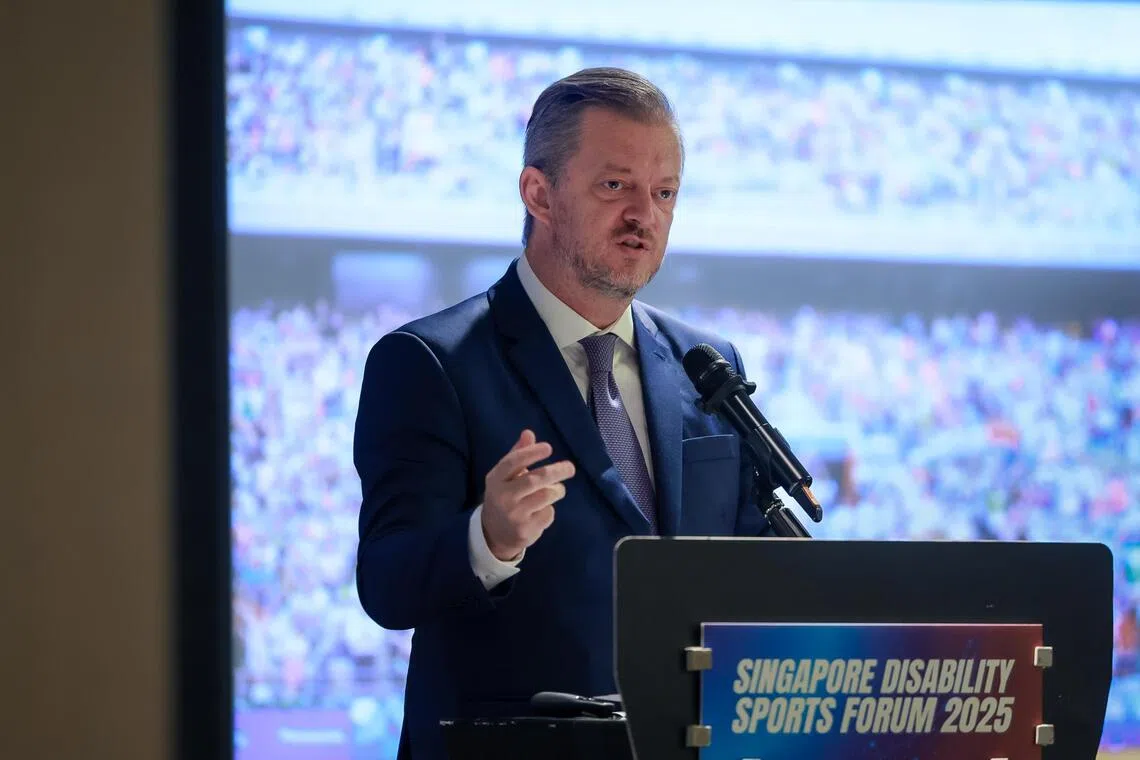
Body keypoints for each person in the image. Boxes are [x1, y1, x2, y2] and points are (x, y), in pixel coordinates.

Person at [353, 67, 773, 760]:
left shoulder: (709, 365)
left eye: (664, 192)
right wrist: (488, 537)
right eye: (615, 186)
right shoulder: (431, 362)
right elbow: (388, 585)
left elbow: (752, 572)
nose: (645, 214)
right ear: (538, 194)